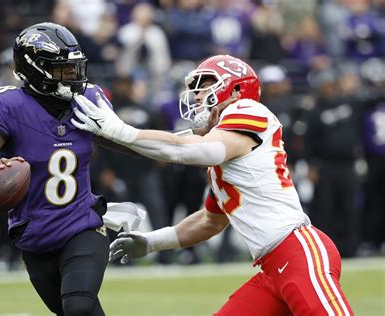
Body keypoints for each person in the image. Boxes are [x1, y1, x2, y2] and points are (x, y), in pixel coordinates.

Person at [71, 54, 354, 315]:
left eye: (206, 85)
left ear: (235, 91)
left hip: (298, 253)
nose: (196, 95)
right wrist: (151, 242)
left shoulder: (249, 109)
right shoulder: (225, 154)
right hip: (272, 268)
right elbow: (209, 221)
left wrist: (122, 130)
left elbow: (187, 149)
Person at [0, 22, 111, 316]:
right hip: (35, 236)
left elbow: (129, 141)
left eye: (74, 68)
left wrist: (179, 145)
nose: (73, 76)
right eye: (63, 70)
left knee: (79, 307)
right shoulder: (11, 106)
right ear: (34, 69)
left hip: (82, 226)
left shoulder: (88, 100)